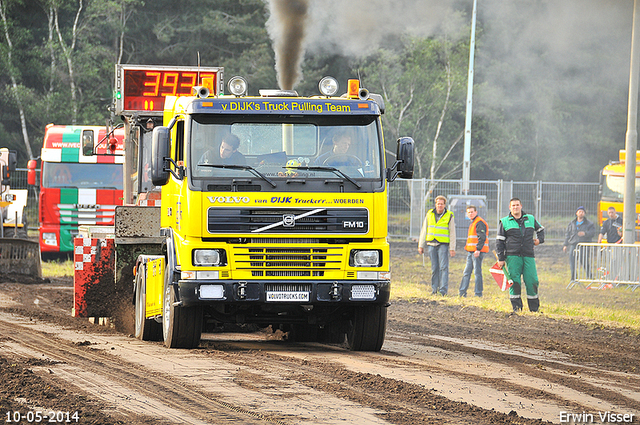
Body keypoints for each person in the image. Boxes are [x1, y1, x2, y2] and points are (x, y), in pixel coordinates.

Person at [496, 198, 545, 312]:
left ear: (521, 206)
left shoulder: (530, 218)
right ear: (510, 207)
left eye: (517, 205)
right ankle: (517, 309)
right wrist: (501, 258)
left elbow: (541, 230)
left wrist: (539, 240)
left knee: (532, 281)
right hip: (512, 256)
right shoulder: (504, 222)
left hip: (528, 255)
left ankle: (534, 310)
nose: (515, 207)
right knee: (514, 282)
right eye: (513, 205)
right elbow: (499, 241)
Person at [418, 195, 456, 295]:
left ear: (444, 205)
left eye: (442, 204)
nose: (440, 206)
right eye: (438, 204)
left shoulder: (449, 215)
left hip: (443, 244)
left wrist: (452, 248)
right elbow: (424, 229)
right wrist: (421, 245)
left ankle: (443, 290)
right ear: (435, 204)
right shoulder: (429, 214)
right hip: (431, 244)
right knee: (434, 268)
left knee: (443, 267)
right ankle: (434, 289)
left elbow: (452, 232)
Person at [459, 205, 489, 297]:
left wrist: (478, 249)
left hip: (476, 252)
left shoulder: (479, 222)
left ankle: (478, 293)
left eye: (472, 212)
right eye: (468, 212)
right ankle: (462, 292)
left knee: (477, 273)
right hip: (471, 251)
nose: (470, 214)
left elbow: (482, 237)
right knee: (467, 272)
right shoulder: (474, 222)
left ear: (476, 212)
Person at [563, 206, 596, 282]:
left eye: (582, 212)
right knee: (572, 261)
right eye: (579, 211)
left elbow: (593, 233)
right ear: (576, 213)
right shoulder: (572, 223)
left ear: (584, 213)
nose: (581, 213)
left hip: (584, 245)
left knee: (584, 261)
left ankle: (589, 276)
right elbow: (568, 234)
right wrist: (565, 245)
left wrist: (585, 233)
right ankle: (573, 278)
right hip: (573, 244)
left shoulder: (589, 224)